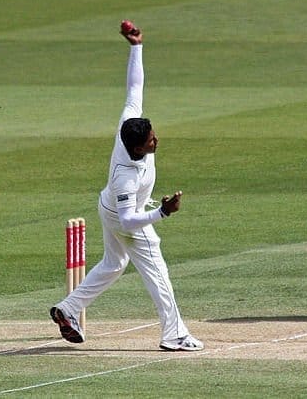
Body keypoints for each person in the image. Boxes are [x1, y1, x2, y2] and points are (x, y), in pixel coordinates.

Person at [50, 22, 204, 352]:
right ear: (137, 148)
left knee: (113, 264)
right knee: (158, 271)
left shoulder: (129, 123)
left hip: (109, 207)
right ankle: (173, 334)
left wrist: (136, 47)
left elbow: (135, 88)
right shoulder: (126, 174)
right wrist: (161, 213)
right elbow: (128, 220)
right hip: (124, 215)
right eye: (151, 141)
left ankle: (69, 309)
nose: (156, 140)